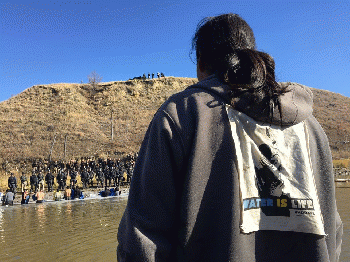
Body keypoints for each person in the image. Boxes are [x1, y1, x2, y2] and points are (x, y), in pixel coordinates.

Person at [117, 14, 343, 261]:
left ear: (201, 63)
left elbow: (143, 240)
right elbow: (334, 230)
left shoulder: (181, 114)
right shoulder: (311, 127)